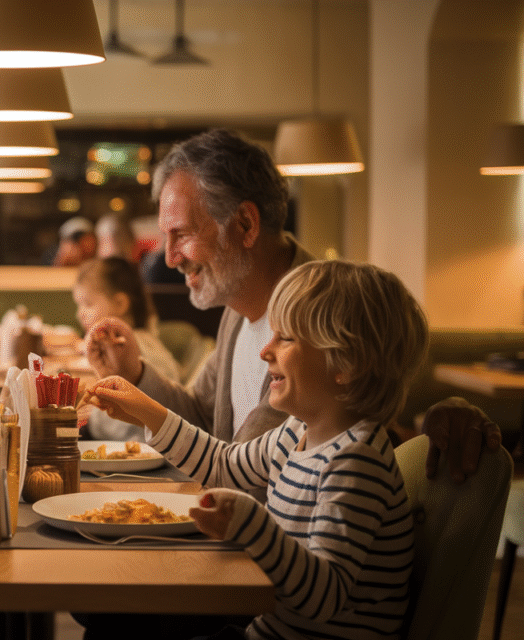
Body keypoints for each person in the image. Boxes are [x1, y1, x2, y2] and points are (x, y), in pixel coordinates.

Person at [84, 128, 500, 483]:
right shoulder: (239, 309)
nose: (170, 258)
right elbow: (203, 416)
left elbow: (390, 418)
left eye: (182, 234)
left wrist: (453, 412)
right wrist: (134, 374)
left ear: (245, 225)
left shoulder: (329, 314)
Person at [81, 260, 425, 640]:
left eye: (286, 338)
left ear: (347, 362)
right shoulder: (296, 432)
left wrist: (253, 524)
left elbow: (323, 598)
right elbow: (223, 463)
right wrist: (146, 408)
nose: (266, 351)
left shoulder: (356, 461)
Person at [72, 256, 181, 441]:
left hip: (129, 444)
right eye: (79, 305)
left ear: (121, 304)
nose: (79, 313)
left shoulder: (132, 349)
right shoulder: (138, 341)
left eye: (88, 304)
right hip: (108, 435)